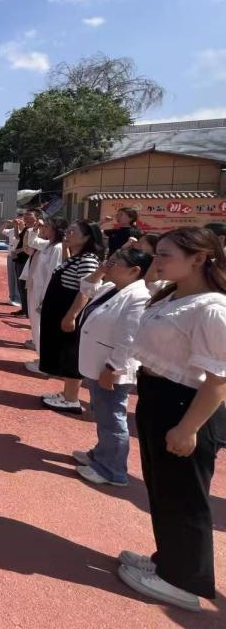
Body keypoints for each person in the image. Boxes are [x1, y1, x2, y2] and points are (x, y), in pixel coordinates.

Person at [115, 227, 226, 612]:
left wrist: (189, 428)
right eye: (156, 253)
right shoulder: (173, 295)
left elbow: (218, 380)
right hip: (158, 396)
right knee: (163, 487)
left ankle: (185, 581)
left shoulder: (211, 308)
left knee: (184, 495)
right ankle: (168, 560)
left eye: (165, 255)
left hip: (184, 404)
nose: (156, 261)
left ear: (199, 259)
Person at [73, 248, 154, 488]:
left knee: (112, 417)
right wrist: (100, 271)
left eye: (115, 263)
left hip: (112, 368)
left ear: (134, 270)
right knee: (102, 412)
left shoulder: (138, 297)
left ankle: (113, 470)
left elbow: (128, 340)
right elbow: (86, 288)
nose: (109, 265)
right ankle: (102, 454)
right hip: (99, 362)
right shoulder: (112, 287)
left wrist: (112, 369)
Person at [39, 220, 104, 415]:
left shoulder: (88, 260)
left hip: (69, 312)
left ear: (87, 237)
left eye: (73, 231)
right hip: (59, 310)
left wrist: (71, 316)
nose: (67, 232)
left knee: (71, 354)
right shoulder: (76, 257)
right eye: (68, 230)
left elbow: (85, 291)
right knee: (64, 352)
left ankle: (71, 399)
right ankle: (67, 393)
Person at [23, 217, 66, 366]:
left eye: (47, 226)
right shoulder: (48, 244)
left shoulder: (58, 248)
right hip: (35, 288)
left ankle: (46, 362)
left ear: (56, 229)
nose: (44, 228)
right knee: (36, 325)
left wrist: (46, 298)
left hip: (43, 293)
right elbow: (32, 242)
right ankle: (43, 357)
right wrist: (35, 228)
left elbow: (53, 275)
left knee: (41, 327)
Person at [12, 209, 43, 317]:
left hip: (27, 260)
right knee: (20, 286)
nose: (26, 217)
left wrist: (17, 251)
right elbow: (18, 237)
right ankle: (24, 308)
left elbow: (32, 246)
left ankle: (28, 311)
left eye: (29, 215)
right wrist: (15, 226)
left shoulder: (37, 230)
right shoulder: (27, 228)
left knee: (25, 286)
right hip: (19, 259)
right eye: (25, 215)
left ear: (36, 218)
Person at [1, 216, 25, 307]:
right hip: (10, 256)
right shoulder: (11, 230)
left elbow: (18, 238)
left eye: (20, 220)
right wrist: (5, 223)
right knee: (11, 277)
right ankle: (12, 297)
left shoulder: (24, 231)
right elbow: (1, 230)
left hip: (19, 256)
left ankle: (18, 299)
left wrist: (16, 226)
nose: (18, 221)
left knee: (17, 277)